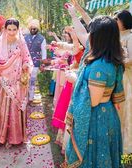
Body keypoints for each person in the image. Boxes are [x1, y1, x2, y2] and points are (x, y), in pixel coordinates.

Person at [65, 16, 125, 168]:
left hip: (97, 120)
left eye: (91, 32)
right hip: (107, 115)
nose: (88, 36)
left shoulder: (100, 65)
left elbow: (93, 100)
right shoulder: (107, 58)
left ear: (99, 37)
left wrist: (74, 78)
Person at [0, 18, 33, 147]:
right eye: (9, 29)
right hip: (3, 78)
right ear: (5, 29)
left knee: (14, 107)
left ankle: (14, 137)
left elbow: (26, 58)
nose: (11, 32)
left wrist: (25, 65)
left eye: (14, 29)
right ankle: (0, 136)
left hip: (16, 79)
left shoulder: (21, 42)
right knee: (1, 107)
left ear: (18, 30)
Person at [114, 10, 132, 154]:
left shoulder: (130, 37)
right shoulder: (116, 35)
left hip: (126, 78)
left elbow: (131, 60)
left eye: (118, 20)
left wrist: (118, 60)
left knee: (125, 111)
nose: (116, 22)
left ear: (124, 21)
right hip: (117, 75)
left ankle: (126, 148)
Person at [24, 19, 47, 102]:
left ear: (38, 29)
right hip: (25, 62)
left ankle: (30, 98)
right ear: (29, 28)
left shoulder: (42, 38)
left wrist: (43, 64)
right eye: (32, 28)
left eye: (35, 29)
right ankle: (24, 97)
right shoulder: (25, 37)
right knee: (24, 80)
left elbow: (44, 52)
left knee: (32, 80)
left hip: (35, 63)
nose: (33, 30)